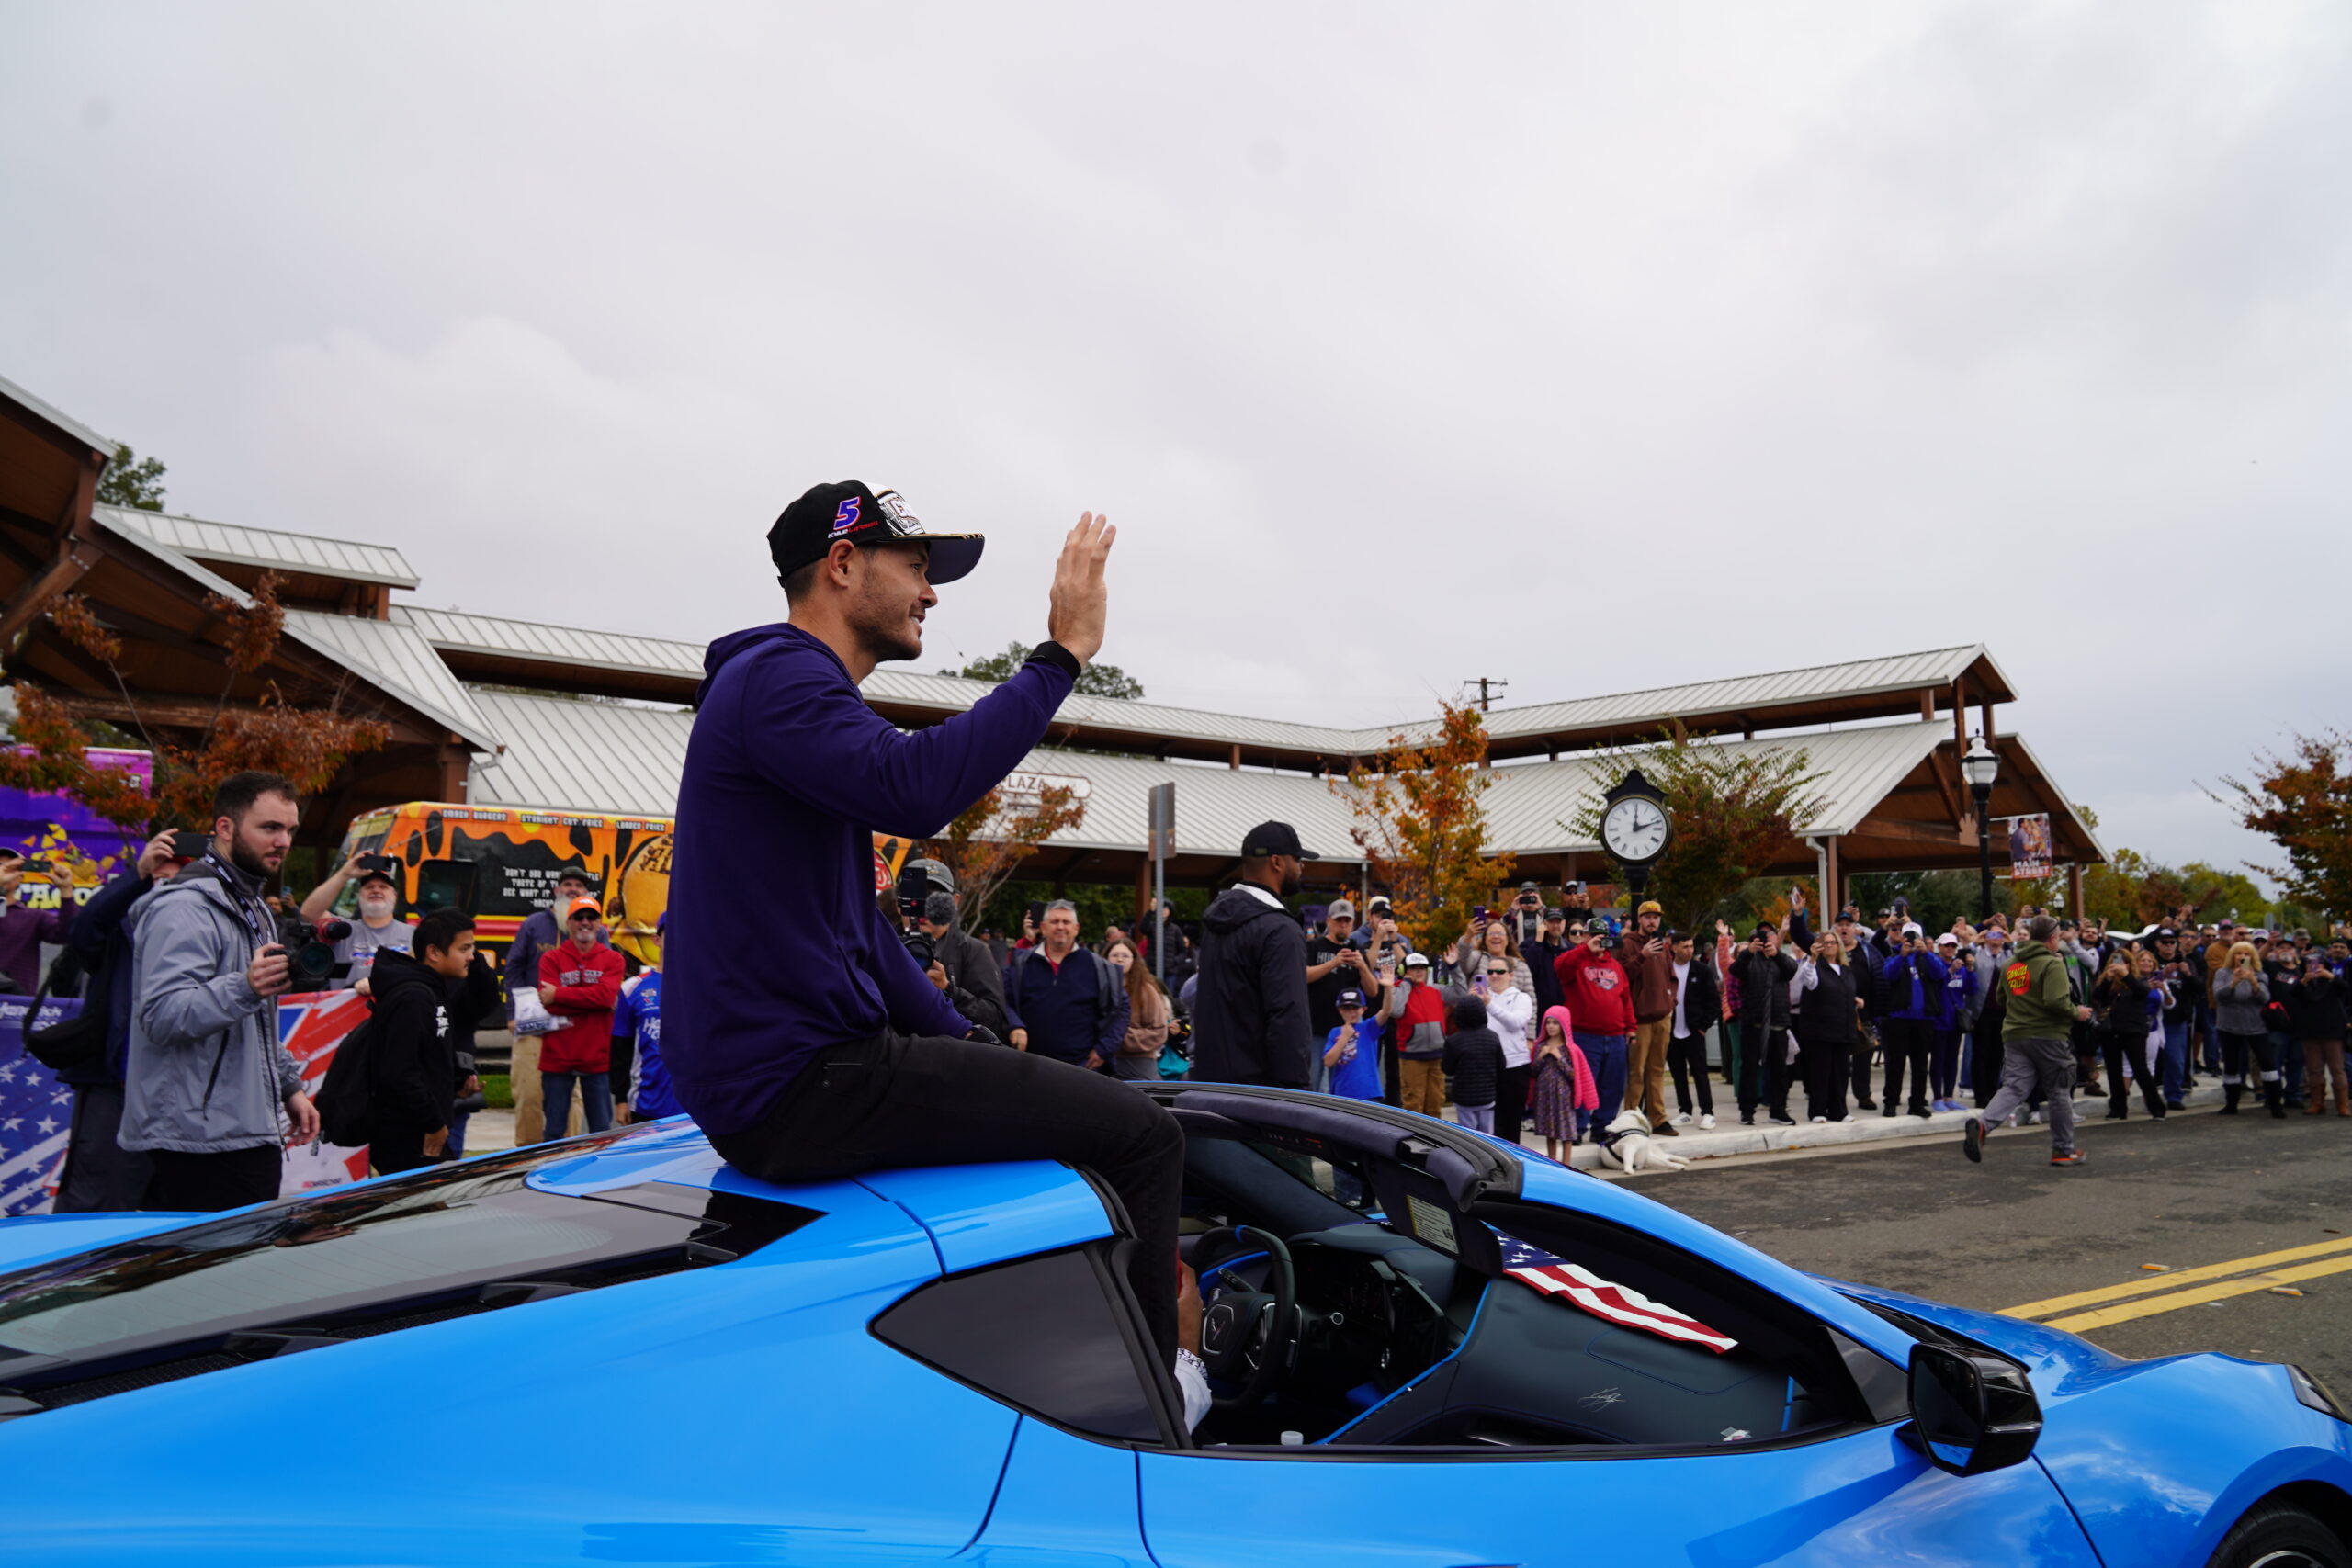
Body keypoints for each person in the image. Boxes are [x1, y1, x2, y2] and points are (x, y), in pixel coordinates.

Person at [660, 491, 1199, 1421]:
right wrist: (1061, 655)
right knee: (1145, 1138)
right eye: (916, 568)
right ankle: (1151, 1411)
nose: (931, 595)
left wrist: (964, 1037)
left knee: (1085, 1121)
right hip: (799, 1082)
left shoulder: (788, 696)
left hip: (786, 1082)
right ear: (840, 565)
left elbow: (862, 929)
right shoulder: (781, 679)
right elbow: (914, 788)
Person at [119, 772, 321, 1211]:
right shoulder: (183, 907)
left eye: (289, 830)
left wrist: (290, 1088)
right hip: (196, 1142)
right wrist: (245, 986)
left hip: (244, 1131)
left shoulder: (254, 908)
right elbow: (161, 1016)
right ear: (225, 828)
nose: (283, 841)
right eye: (269, 828)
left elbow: (256, 1025)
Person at [52, 830, 179, 1212]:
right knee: (96, 1209)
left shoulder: (211, 923)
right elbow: (82, 931)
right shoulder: (120, 925)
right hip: (117, 1086)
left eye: (179, 877)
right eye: (159, 875)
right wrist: (138, 874)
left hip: (182, 1096)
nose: (168, 884)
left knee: (173, 1220)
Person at [1964, 915, 2097, 1167]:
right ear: (2052, 938)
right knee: (2059, 1092)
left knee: (2013, 1087)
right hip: (2049, 1036)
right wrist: (2077, 1012)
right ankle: (2062, 1150)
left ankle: (1982, 1126)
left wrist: (2025, 1004)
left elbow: (2003, 998)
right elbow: (2056, 1001)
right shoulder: (2051, 964)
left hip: (2016, 1035)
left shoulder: (2013, 964)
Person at [353, 909, 480, 1173]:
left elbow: (426, 1059)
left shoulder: (434, 989)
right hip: (409, 1135)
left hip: (424, 1129)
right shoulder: (414, 997)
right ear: (434, 952)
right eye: (465, 948)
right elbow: (399, 1072)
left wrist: (454, 1085)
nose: (471, 957)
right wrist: (433, 1124)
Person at [1191, 820, 1315, 1088]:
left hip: (1210, 1087)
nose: (1301, 866)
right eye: (1297, 859)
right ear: (1277, 862)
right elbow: (1288, 1019)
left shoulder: (1216, 921)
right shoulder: (1280, 930)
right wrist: (1299, 1100)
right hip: (1260, 1098)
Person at [538, 896, 625, 1140]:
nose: (585, 922)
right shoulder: (551, 959)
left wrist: (560, 995)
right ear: (569, 922)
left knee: (600, 1134)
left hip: (596, 1058)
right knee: (553, 1133)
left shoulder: (613, 959)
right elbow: (548, 1006)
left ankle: (596, 1178)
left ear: (599, 923)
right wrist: (593, 1001)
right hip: (557, 1057)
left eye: (591, 917)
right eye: (579, 917)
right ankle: (551, 1178)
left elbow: (606, 997)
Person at [1005, 900, 1130, 1069]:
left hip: (1081, 1068)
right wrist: (1015, 1025)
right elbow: (1004, 999)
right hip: (1028, 1066)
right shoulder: (1021, 963)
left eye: (1066, 922)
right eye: (1055, 922)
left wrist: (1105, 1048)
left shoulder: (1098, 966)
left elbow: (1122, 1007)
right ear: (1043, 927)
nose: (1060, 927)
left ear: (1076, 928)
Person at [1554, 919, 1634, 1129]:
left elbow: (1625, 999)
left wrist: (1631, 1028)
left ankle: (1603, 1127)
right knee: (1582, 1085)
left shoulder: (1615, 966)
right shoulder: (1576, 960)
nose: (1598, 939)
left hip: (1616, 1036)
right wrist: (1584, 950)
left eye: (1602, 935)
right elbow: (1560, 968)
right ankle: (1578, 1128)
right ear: (1585, 936)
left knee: (1612, 1086)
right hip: (1585, 1036)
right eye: (1594, 935)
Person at [299, 852, 414, 991]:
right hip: (345, 1011)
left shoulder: (414, 934)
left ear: (395, 896)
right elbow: (308, 912)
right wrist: (345, 873)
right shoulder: (342, 930)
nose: (376, 890)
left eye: (383, 887)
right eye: (369, 887)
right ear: (359, 896)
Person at [1727, 922, 1797, 1126]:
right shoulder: (1748, 959)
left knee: (1780, 1071)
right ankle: (1747, 1111)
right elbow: (1735, 971)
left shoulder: (1781, 960)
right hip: (1753, 1022)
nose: (1766, 939)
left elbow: (1792, 970)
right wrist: (1748, 953)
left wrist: (1777, 954)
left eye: (1770, 935)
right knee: (1749, 1069)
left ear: (1776, 938)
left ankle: (1778, 1110)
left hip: (1778, 1021)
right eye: (1761, 936)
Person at [914, 881, 1009, 1030]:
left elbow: (993, 1018)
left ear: (954, 902)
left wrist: (949, 990)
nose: (923, 906)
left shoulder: (974, 951)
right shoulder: (882, 946)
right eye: (913, 896)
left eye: (934, 897)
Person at [1617, 899, 1677, 1135]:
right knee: (1636, 1071)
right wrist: (1641, 955)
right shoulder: (1628, 944)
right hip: (1639, 1019)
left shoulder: (1664, 947)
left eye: (1656, 917)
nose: (1652, 921)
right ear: (1640, 919)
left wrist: (1671, 1001)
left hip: (1662, 1016)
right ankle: (1631, 1118)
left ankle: (1658, 1118)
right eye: (1648, 916)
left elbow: (1673, 977)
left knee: (1657, 1070)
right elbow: (1622, 976)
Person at [1876, 924, 1947, 1120]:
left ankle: (1916, 1102)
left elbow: (1940, 974)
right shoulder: (1895, 957)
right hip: (1899, 1018)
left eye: (1915, 937)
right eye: (1907, 937)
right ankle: (1891, 1101)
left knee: (1920, 1064)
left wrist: (1927, 952)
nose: (1911, 941)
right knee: (1895, 1063)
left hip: (1924, 1019)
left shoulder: (1927, 958)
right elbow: (1888, 974)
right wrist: (1903, 956)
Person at [614, 914, 676, 1122]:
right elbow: (620, 1047)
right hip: (646, 1104)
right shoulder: (633, 988)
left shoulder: (703, 987)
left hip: (693, 1107)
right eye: (671, 932)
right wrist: (620, 1099)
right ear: (656, 940)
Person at [2090, 951, 2163, 1121]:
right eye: (2117, 962)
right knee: (2114, 1071)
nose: (2121, 966)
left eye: (2125, 962)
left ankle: (2157, 1107)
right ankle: (2118, 1108)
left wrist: (2126, 975)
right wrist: (2108, 979)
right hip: (2111, 1031)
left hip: (2133, 1031)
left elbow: (2143, 992)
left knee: (2140, 1069)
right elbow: (2097, 997)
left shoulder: (2138, 980)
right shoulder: (2106, 981)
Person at [2212, 941, 2278, 1118]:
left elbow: (2264, 998)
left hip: (2255, 1025)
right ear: (2232, 956)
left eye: (2246, 954)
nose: (2242, 957)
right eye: (2238, 953)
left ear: (2253, 957)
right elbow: (2219, 996)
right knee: (2231, 1064)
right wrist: (2233, 982)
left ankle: (2274, 1104)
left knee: (2267, 1063)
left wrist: (2253, 982)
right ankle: (2231, 1104)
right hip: (2229, 1025)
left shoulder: (2260, 974)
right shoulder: (2223, 973)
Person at [0, 846, 76, 995]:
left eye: (11, 868)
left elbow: (67, 935)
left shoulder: (34, 917)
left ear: (21, 876)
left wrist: (66, 890)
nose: (4, 872)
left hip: (17, 1006)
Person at [1665, 931, 1721, 1129]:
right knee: (1678, 1074)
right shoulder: (1666, 969)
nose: (1689, 950)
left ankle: (1707, 1112)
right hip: (1671, 1032)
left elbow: (1713, 1001)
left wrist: (1703, 1026)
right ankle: (1685, 1111)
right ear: (1674, 948)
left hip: (1694, 1031)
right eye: (1685, 946)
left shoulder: (1701, 970)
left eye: (1691, 946)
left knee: (1700, 1073)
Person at [1383, 953, 1449, 1117]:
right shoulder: (1399, 988)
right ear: (1405, 970)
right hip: (1412, 1057)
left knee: (1435, 1104)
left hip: (1436, 1056)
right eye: (1414, 968)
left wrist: (1454, 967)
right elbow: (1396, 1011)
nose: (1419, 971)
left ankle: (1435, 1141)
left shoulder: (1434, 990)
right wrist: (1406, 983)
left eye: (1422, 968)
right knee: (1414, 1107)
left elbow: (1460, 994)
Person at [1479, 947, 1534, 1143]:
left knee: (1511, 1122)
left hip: (1515, 1066)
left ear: (1510, 975)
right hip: (1487, 1067)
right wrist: (1472, 1003)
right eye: (1490, 972)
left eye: (1500, 971)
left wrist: (1489, 1006)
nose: (1494, 975)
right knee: (1490, 1124)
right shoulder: (1482, 998)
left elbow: (1515, 1022)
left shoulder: (1522, 998)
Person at [1306, 898, 1379, 1042]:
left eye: (1347, 921)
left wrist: (1363, 967)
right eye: (1339, 920)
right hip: (1317, 1028)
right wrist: (1333, 963)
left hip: (1348, 1029)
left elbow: (1373, 991)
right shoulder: (1313, 946)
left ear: (1353, 924)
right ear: (1328, 921)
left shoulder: (1356, 951)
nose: (1343, 925)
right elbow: (1303, 976)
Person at [1531, 1006, 1597, 1160]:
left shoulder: (1571, 1049)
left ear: (1564, 1025)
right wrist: (1540, 1056)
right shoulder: (1540, 1046)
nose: (1551, 1026)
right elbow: (1533, 1072)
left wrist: (1559, 1058)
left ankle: (1566, 1164)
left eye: (1555, 1023)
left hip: (1564, 1097)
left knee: (1566, 1132)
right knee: (1550, 1131)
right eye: (1548, 1023)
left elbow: (1574, 1075)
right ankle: (1552, 1162)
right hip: (1545, 1096)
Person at [1104, 936, 1172, 1082]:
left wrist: (1119, 1036)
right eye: (1114, 955)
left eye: (1125, 956)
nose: (1119, 959)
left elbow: (1160, 1032)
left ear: (1134, 960)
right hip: (1102, 1062)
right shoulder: (1098, 988)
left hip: (1137, 1064)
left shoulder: (1146, 990)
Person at [2290, 953, 2347, 1117]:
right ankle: (2317, 1103)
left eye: (2319, 964)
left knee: (2337, 1070)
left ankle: (2342, 1105)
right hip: (2309, 1032)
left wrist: (2330, 976)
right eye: (2310, 964)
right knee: (2314, 1069)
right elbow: (2293, 993)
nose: (2315, 967)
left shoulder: (2332, 982)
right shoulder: (2302, 984)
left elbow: (2346, 988)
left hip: (2332, 1032)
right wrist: (2305, 980)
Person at [1441, 996, 1502, 1134]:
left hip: (1464, 1099)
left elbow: (1447, 1069)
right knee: (1488, 1136)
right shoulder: (1493, 1037)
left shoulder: (1454, 1041)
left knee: (1469, 1137)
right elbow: (1501, 1066)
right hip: (1488, 1096)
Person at [1321, 987, 1384, 1101]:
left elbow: (1386, 1012)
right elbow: (1328, 1062)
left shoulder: (1368, 1028)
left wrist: (1389, 988)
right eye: (1346, 1008)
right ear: (1340, 1010)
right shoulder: (1335, 1032)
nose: (1351, 1012)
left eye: (1355, 1007)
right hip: (1343, 1093)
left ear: (1363, 1009)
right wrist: (1344, 1037)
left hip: (1368, 1092)